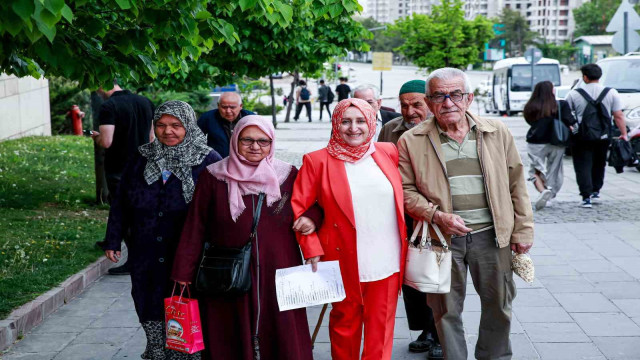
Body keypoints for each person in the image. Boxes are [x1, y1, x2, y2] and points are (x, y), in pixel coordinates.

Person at [397, 68, 534, 360]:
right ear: (429, 101)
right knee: (445, 310)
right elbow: (405, 191)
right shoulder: (412, 140)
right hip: (442, 239)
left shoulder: (497, 132)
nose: (448, 102)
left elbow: (516, 184)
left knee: (499, 306)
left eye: (455, 94)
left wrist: (522, 231)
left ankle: (494, 357)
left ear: (468, 98)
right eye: (438, 95)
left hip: (492, 237)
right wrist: (436, 215)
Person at [171, 116, 320, 360]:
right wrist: (183, 272)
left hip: (279, 267)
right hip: (227, 271)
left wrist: (312, 218)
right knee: (228, 331)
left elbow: (315, 204)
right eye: (247, 140)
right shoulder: (214, 176)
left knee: (282, 330)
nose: (255, 147)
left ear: (272, 143)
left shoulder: (288, 175)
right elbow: (195, 225)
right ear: (235, 140)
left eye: (263, 141)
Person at [102, 101, 222, 360]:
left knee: (184, 302)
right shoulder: (142, 157)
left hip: (188, 252)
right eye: (161, 125)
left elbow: (221, 208)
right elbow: (121, 201)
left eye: (176, 125)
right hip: (145, 248)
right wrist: (113, 239)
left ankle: (185, 352)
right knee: (146, 298)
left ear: (188, 126)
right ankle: (156, 348)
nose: (168, 131)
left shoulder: (208, 160)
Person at [292, 98, 407, 360]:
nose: (353, 128)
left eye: (360, 121)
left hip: (387, 258)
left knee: (382, 327)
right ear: (335, 124)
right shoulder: (316, 161)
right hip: (341, 257)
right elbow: (301, 208)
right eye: (345, 121)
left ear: (371, 123)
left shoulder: (387, 151)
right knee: (345, 325)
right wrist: (311, 248)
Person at [377, 80, 442, 359]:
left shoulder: (442, 126)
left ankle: (440, 332)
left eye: (417, 104)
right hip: (402, 212)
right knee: (411, 275)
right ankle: (424, 331)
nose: (410, 110)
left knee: (437, 274)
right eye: (404, 105)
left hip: (437, 212)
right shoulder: (390, 130)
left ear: (428, 102)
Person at [92, 79, 155, 275]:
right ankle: (141, 254)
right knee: (139, 212)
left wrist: (96, 137)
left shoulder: (108, 106)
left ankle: (134, 260)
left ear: (102, 86)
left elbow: (107, 141)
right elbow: (152, 137)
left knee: (123, 213)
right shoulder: (145, 101)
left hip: (119, 167)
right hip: (144, 165)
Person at [565, 63, 629, 208]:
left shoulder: (574, 93)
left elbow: (567, 114)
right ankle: (596, 190)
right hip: (603, 135)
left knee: (582, 165)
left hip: (582, 136)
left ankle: (586, 196)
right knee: (599, 162)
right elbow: (618, 115)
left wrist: (572, 127)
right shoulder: (611, 92)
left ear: (585, 77)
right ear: (599, 76)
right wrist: (624, 134)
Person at [523, 81, 577, 210]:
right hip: (556, 140)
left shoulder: (531, 105)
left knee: (535, 169)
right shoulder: (561, 104)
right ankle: (550, 194)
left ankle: (543, 191)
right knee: (554, 169)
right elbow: (570, 121)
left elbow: (529, 121)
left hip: (536, 141)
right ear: (552, 91)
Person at [197, 92, 255, 158]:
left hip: (245, 160)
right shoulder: (207, 118)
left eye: (232, 107)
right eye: (224, 107)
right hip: (216, 162)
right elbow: (195, 140)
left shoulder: (251, 118)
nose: (228, 111)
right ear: (218, 105)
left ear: (241, 106)